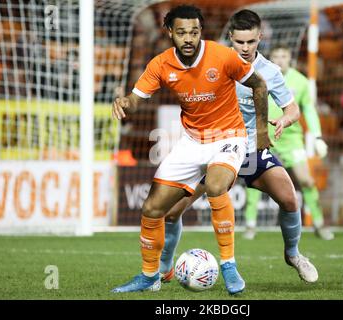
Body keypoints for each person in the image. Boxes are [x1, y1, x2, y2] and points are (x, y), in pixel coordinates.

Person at [111, 5, 271, 295]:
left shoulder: (223, 56)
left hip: (229, 136)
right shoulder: (161, 64)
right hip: (192, 141)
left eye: (194, 32)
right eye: (182, 32)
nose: (188, 38)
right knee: (152, 209)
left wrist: (260, 131)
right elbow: (137, 97)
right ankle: (150, 277)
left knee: (215, 185)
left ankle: (229, 265)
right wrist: (125, 102)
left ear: (201, 32)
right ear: (169, 32)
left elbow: (259, 85)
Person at [159, 9, 318, 288]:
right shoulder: (213, 62)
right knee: (172, 211)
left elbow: (292, 109)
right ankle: (164, 267)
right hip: (213, 146)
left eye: (251, 42)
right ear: (229, 37)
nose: (245, 49)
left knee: (290, 198)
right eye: (239, 42)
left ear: (260, 38)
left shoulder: (270, 71)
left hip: (251, 148)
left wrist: (284, 119)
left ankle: (293, 254)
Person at [244, 45, 334, 241]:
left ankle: (319, 223)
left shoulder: (301, 81)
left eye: (284, 55)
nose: (280, 59)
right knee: (256, 181)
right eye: (276, 55)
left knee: (306, 180)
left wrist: (317, 136)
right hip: (264, 136)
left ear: (290, 58)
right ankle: (250, 225)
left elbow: (308, 110)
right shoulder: (259, 75)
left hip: (292, 140)